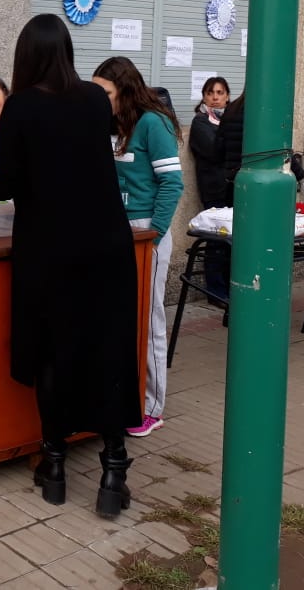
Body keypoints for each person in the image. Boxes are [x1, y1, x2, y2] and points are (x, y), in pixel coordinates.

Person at [0, 15, 139, 519]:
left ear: (26, 56)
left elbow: (13, 180)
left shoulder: (21, 106)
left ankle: (55, 466)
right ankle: (113, 470)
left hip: (49, 250)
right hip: (106, 244)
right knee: (108, 350)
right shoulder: (94, 99)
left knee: (51, 352)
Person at [92, 56, 184, 440]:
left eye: (105, 93)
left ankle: (151, 407)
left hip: (145, 232)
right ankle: (119, 397)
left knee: (148, 320)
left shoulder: (153, 123)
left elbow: (172, 184)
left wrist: (155, 235)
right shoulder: (107, 125)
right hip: (112, 231)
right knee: (116, 321)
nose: (99, 100)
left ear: (125, 90)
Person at [188, 76, 231, 305]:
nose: (215, 97)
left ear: (227, 96)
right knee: (216, 241)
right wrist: (230, 131)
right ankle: (215, 291)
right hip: (213, 189)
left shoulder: (230, 120)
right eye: (210, 93)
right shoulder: (201, 122)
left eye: (220, 93)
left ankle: (230, 287)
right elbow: (215, 152)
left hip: (231, 188)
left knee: (231, 242)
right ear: (204, 97)